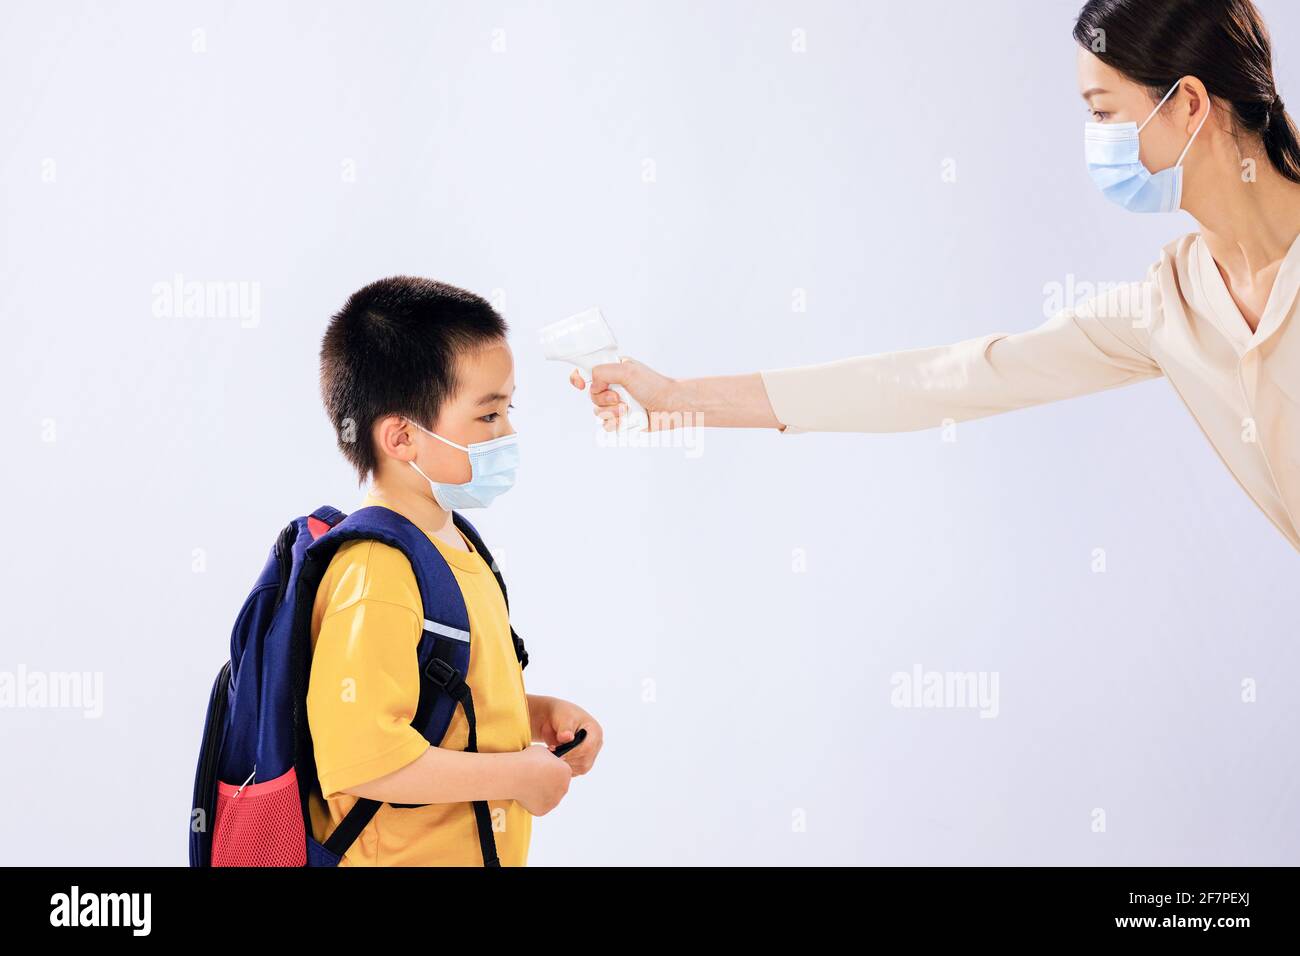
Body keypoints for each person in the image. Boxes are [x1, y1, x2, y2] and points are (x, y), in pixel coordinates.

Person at [573, 0, 1300, 554]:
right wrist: (676, 399)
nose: (1096, 141)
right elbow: (947, 379)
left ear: (1191, 105)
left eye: (1105, 112)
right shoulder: (1169, 305)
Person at [310, 276, 602, 865]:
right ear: (402, 438)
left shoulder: (453, 545)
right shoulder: (378, 570)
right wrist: (512, 777)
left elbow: (439, 706)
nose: (508, 433)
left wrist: (532, 715)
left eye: (508, 409)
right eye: (488, 415)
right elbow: (364, 755)